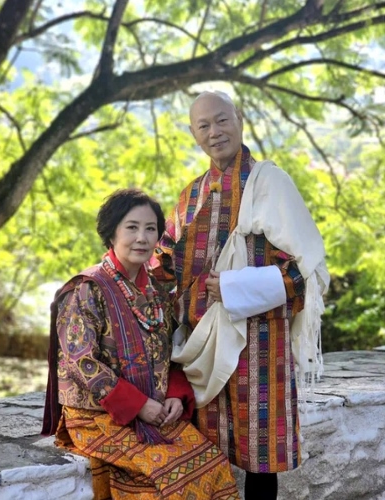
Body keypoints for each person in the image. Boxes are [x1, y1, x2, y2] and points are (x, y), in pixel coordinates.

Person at [150, 91, 329, 499]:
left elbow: (306, 269)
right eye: (203, 126)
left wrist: (234, 287)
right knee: (206, 453)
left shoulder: (271, 183)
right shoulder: (190, 196)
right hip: (202, 343)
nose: (214, 132)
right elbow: (164, 263)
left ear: (239, 120)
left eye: (221, 120)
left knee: (260, 457)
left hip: (261, 342)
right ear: (194, 134)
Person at [42, 189, 239, 499]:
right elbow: (82, 362)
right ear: (112, 233)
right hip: (97, 415)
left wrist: (174, 394)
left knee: (213, 465)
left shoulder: (156, 292)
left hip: (153, 412)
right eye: (131, 227)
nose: (142, 238)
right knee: (173, 478)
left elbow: (170, 351)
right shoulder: (86, 289)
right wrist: (139, 406)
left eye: (150, 229)